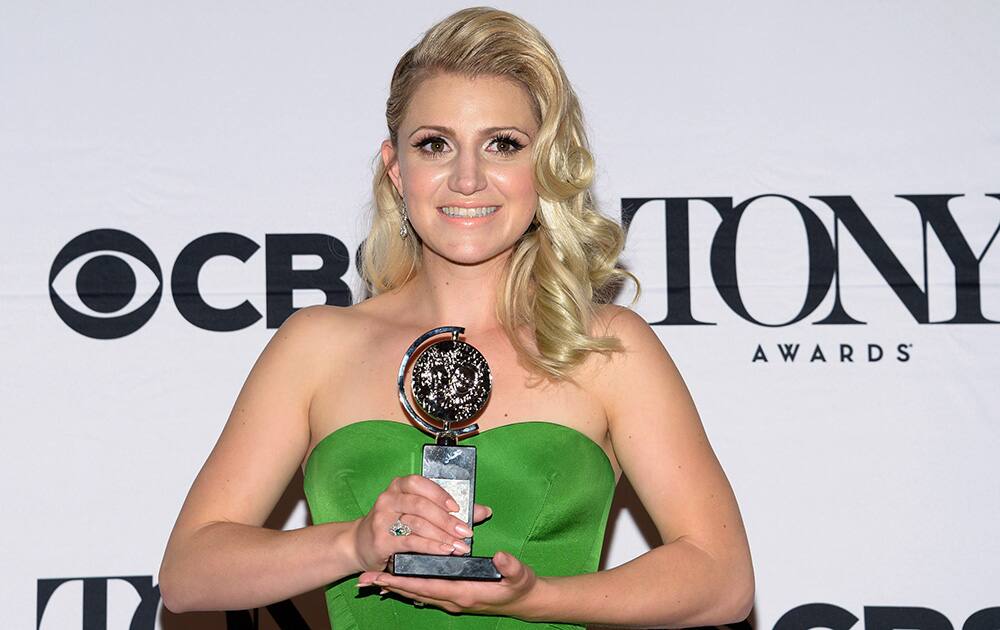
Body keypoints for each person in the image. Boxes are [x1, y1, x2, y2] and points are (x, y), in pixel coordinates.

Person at [159, 7, 754, 628]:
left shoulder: (604, 347)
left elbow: (722, 578)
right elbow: (189, 571)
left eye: (503, 144)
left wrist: (536, 597)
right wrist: (354, 542)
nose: (467, 179)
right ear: (397, 167)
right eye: (434, 144)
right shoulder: (317, 345)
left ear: (544, 166)